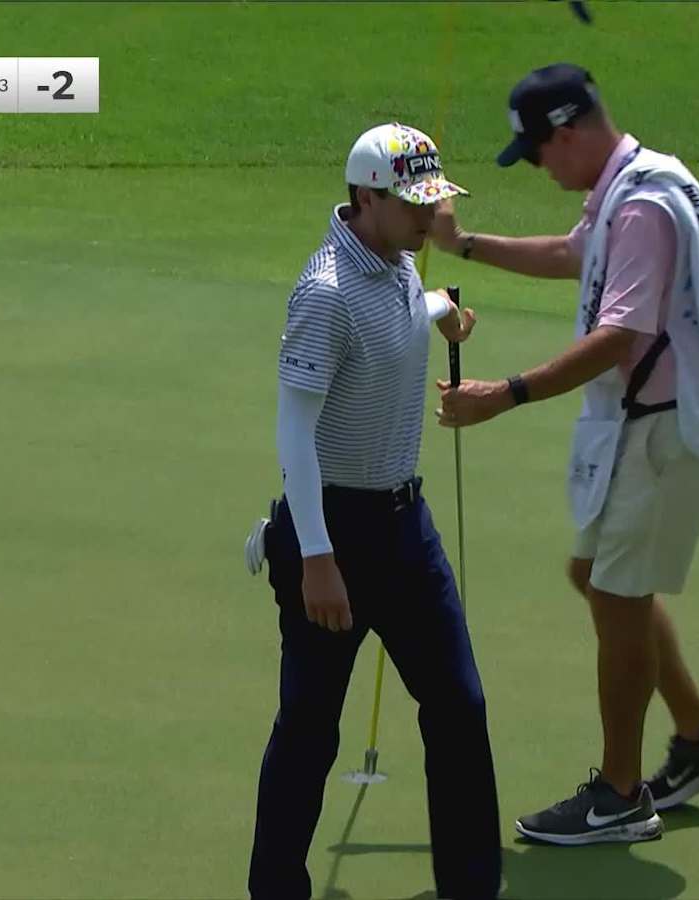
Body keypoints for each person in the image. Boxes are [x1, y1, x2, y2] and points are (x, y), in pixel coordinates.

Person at [432, 64, 699, 846]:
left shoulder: (641, 205)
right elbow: (573, 254)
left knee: (618, 593)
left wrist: (505, 393)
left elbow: (619, 336)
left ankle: (619, 796)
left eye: (539, 153)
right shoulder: (634, 182)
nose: (539, 168)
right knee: (598, 578)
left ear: (569, 132)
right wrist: (464, 245)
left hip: (667, 427)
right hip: (657, 417)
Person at [248, 122, 501, 898]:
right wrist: (317, 558)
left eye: (434, 200)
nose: (432, 216)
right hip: (333, 533)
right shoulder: (324, 293)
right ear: (366, 199)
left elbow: (396, 311)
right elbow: (294, 430)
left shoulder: (395, 262)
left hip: (404, 531)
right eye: (415, 203)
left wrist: (441, 307)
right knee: (310, 729)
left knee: (459, 706)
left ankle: (470, 888)